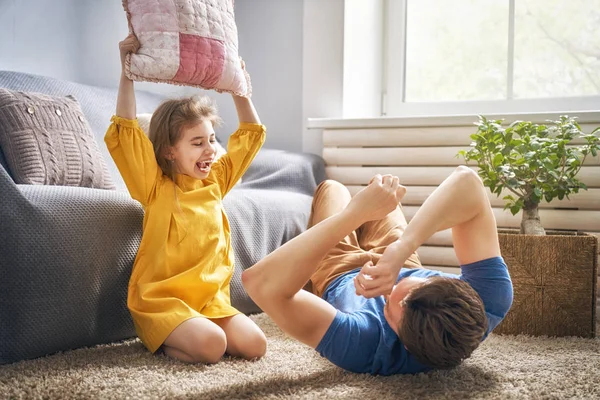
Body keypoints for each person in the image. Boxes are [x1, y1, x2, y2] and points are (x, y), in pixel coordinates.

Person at [242, 167, 513, 375]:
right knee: (382, 188)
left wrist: (354, 215)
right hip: (399, 256)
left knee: (333, 189)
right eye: (418, 284)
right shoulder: (489, 298)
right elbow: (468, 181)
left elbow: (259, 283)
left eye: (388, 308)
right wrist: (402, 249)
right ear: (453, 284)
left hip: (339, 271)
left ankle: (346, 225)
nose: (388, 288)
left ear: (404, 343)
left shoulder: (364, 345)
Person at [105, 34, 267, 364]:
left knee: (255, 346)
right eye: (197, 143)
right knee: (211, 347)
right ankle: (161, 338)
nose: (210, 150)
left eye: (211, 139)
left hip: (210, 301)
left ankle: (199, 331)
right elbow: (125, 129)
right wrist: (127, 72)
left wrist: (239, 88)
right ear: (169, 152)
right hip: (162, 301)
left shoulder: (216, 181)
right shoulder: (154, 186)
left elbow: (250, 133)